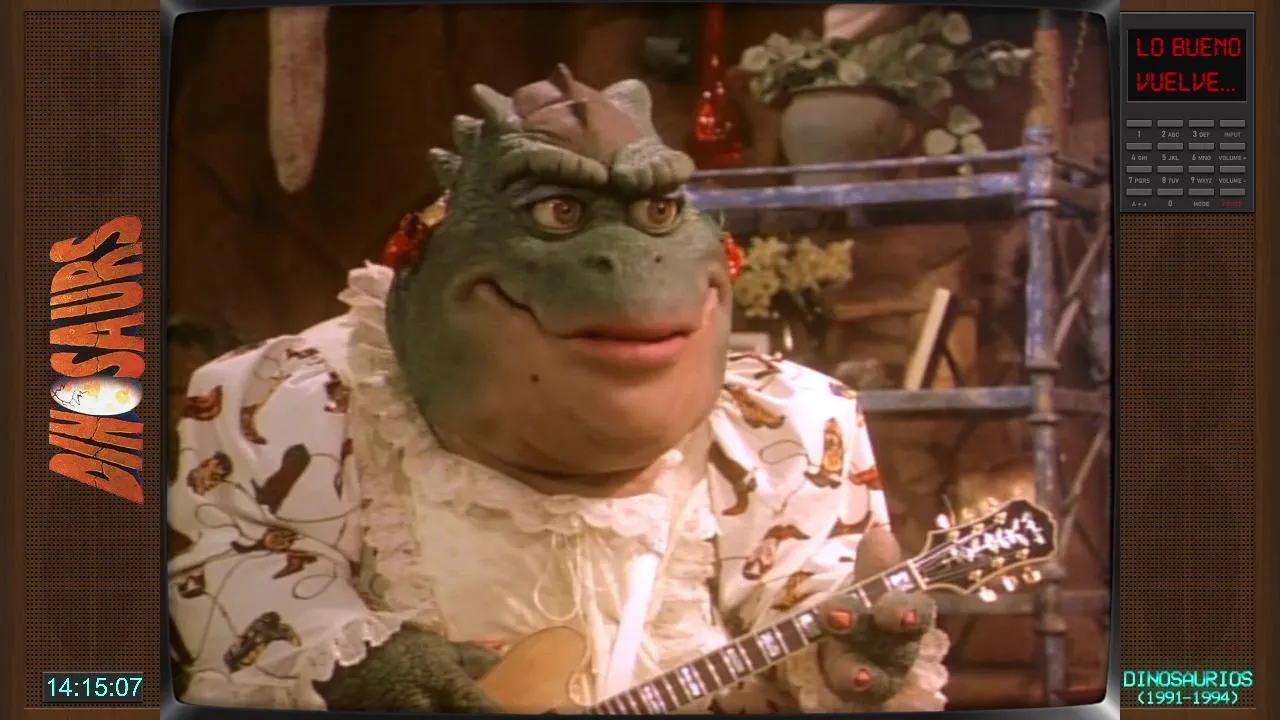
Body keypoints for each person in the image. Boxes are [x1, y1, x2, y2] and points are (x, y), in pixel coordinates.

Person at [168, 66, 949, 713]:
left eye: (658, 209)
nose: (622, 257)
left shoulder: (788, 422)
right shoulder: (292, 399)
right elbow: (238, 575)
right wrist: (363, 664)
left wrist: (842, 642)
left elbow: (805, 599)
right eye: (561, 209)